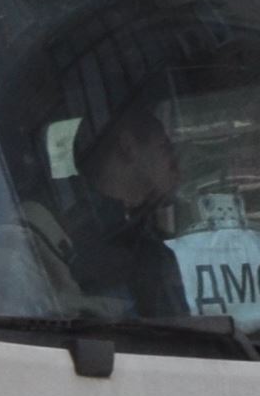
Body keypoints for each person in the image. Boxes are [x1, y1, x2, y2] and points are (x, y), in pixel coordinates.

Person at [47, 97, 187, 316]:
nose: (176, 165)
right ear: (128, 147)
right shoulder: (75, 240)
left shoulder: (142, 235)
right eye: (164, 148)